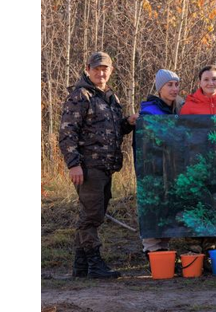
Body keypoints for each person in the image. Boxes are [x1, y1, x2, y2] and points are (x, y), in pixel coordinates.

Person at [59, 52, 137, 279]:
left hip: (106, 166)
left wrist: (128, 123)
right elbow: (67, 133)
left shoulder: (110, 98)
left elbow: (111, 131)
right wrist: (74, 164)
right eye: (96, 69)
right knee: (91, 216)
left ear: (110, 70)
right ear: (88, 69)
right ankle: (94, 264)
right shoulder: (80, 96)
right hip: (88, 166)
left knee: (92, 214)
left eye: (105, 69)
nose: (100, 73)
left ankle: (81, 267)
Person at [138, 69, 184, 259]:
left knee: (167, 207)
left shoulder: (180, 108)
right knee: (152, 206)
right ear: (160, 88)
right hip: (153, 168)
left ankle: (163, 251)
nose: (174, 89)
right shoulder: (149, 111)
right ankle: (151, 249)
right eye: (169, 85)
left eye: (176, 85)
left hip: (173, 168)